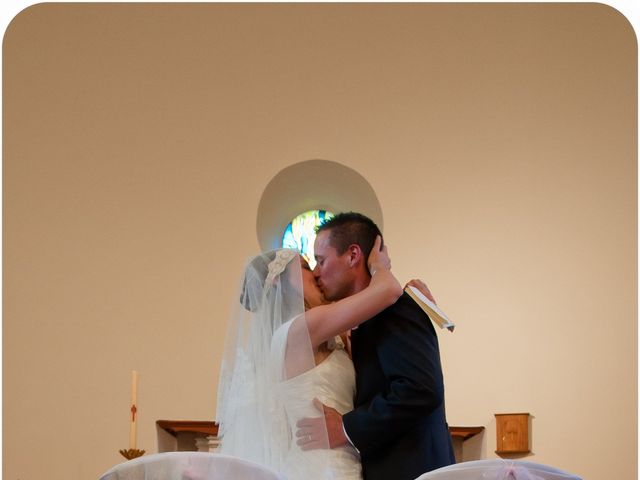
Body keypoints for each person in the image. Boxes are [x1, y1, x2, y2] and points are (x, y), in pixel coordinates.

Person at [216, 235, 411, 479]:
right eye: (307, 267)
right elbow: (388, 290)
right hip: (319, 468)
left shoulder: (325, 334)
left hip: (342, 463)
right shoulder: (297, 331)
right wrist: (379, 266)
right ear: (277, 281)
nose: (317, 274)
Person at [296, 212, 455, 480]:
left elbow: (421, 389)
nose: (316, 272)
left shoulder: (397, 309)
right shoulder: (359, 323)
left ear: (353, 255)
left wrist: (346, 428)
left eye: (321, 260)